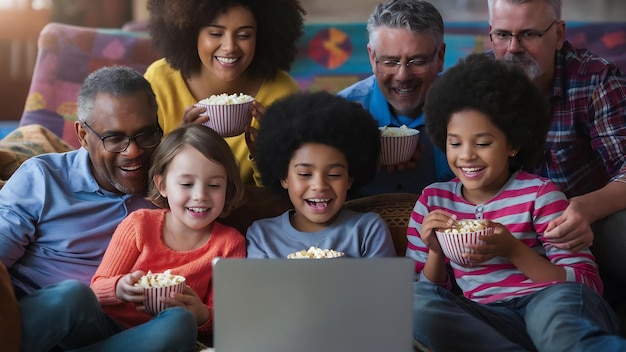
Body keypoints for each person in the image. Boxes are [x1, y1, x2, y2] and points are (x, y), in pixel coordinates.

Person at [408, 53, 626, 351]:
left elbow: (585, 286)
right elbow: (431, 295)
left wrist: (513, 249)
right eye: (455, 142)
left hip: (550, 305)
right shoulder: (433, 201)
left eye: (483, 143)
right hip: (488, 321)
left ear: (512, 144)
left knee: (557, 314)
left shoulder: (540, 194)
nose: (467, 155)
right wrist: (435, 252)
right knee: (412, 303)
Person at [19, 124, 247, 351]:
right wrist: (119, 288)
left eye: (214, 185)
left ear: (227, 188)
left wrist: (201, 314)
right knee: (73, 293)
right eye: (186, 184)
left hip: (156, 337)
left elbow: (226, 319)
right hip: (104, 328)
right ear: (162, 185)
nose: (200, 196)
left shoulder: (229, 244)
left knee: (180, 322)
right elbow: (97, 288)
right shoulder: (140, 224)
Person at [487, 0, 626, 306]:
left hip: (586, 224)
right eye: (502, 35)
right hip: (504, 227)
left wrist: (588, 207)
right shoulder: (477, 83)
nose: (513, 48)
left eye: (529, 34)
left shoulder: (596, 79)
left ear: (559, 34)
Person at [0, 66, 159, 299]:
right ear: (83, 136)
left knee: (178, 322)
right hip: (40, 319)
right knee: (74, 296)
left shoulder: (169, 183)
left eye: (145, 134)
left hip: (115, 326)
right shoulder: (42, 179)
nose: (133, 151)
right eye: (114, 138)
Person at [144, 0, 305, 186]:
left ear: (261, 37)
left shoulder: (282, 93)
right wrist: (177, 145)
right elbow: (145, 178)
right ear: (190, 32)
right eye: (215, 33)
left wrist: (267, 155)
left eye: (244, 35)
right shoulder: (160, 81)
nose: (230, 47)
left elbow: (288, 192)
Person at [246, 91, 396, 258]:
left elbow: (385, 284)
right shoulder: (262, 236)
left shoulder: (368, 230)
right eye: (304, 174)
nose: (320, 185)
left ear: (350, 178)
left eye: (334, 174)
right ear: (284, 177)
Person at [337, 0, 453, 197]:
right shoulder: (339, 113)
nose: (402, 76)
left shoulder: (465, 108)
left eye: (417, 61)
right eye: (390, 62)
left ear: (440, 57)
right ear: (372, 58)